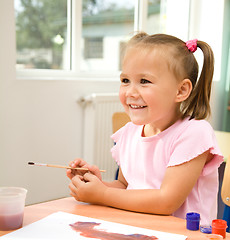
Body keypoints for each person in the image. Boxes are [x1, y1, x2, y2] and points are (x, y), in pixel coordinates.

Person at [67, 32, 223, 225]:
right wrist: (97, 185)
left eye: (144, 81)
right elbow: (125, 186)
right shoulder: (130, 132)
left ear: (181, 90)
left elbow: (166, 202)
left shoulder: (194, 133)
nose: (131, 92)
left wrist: (102, 194)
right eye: (125, 80)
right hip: (139, 229)